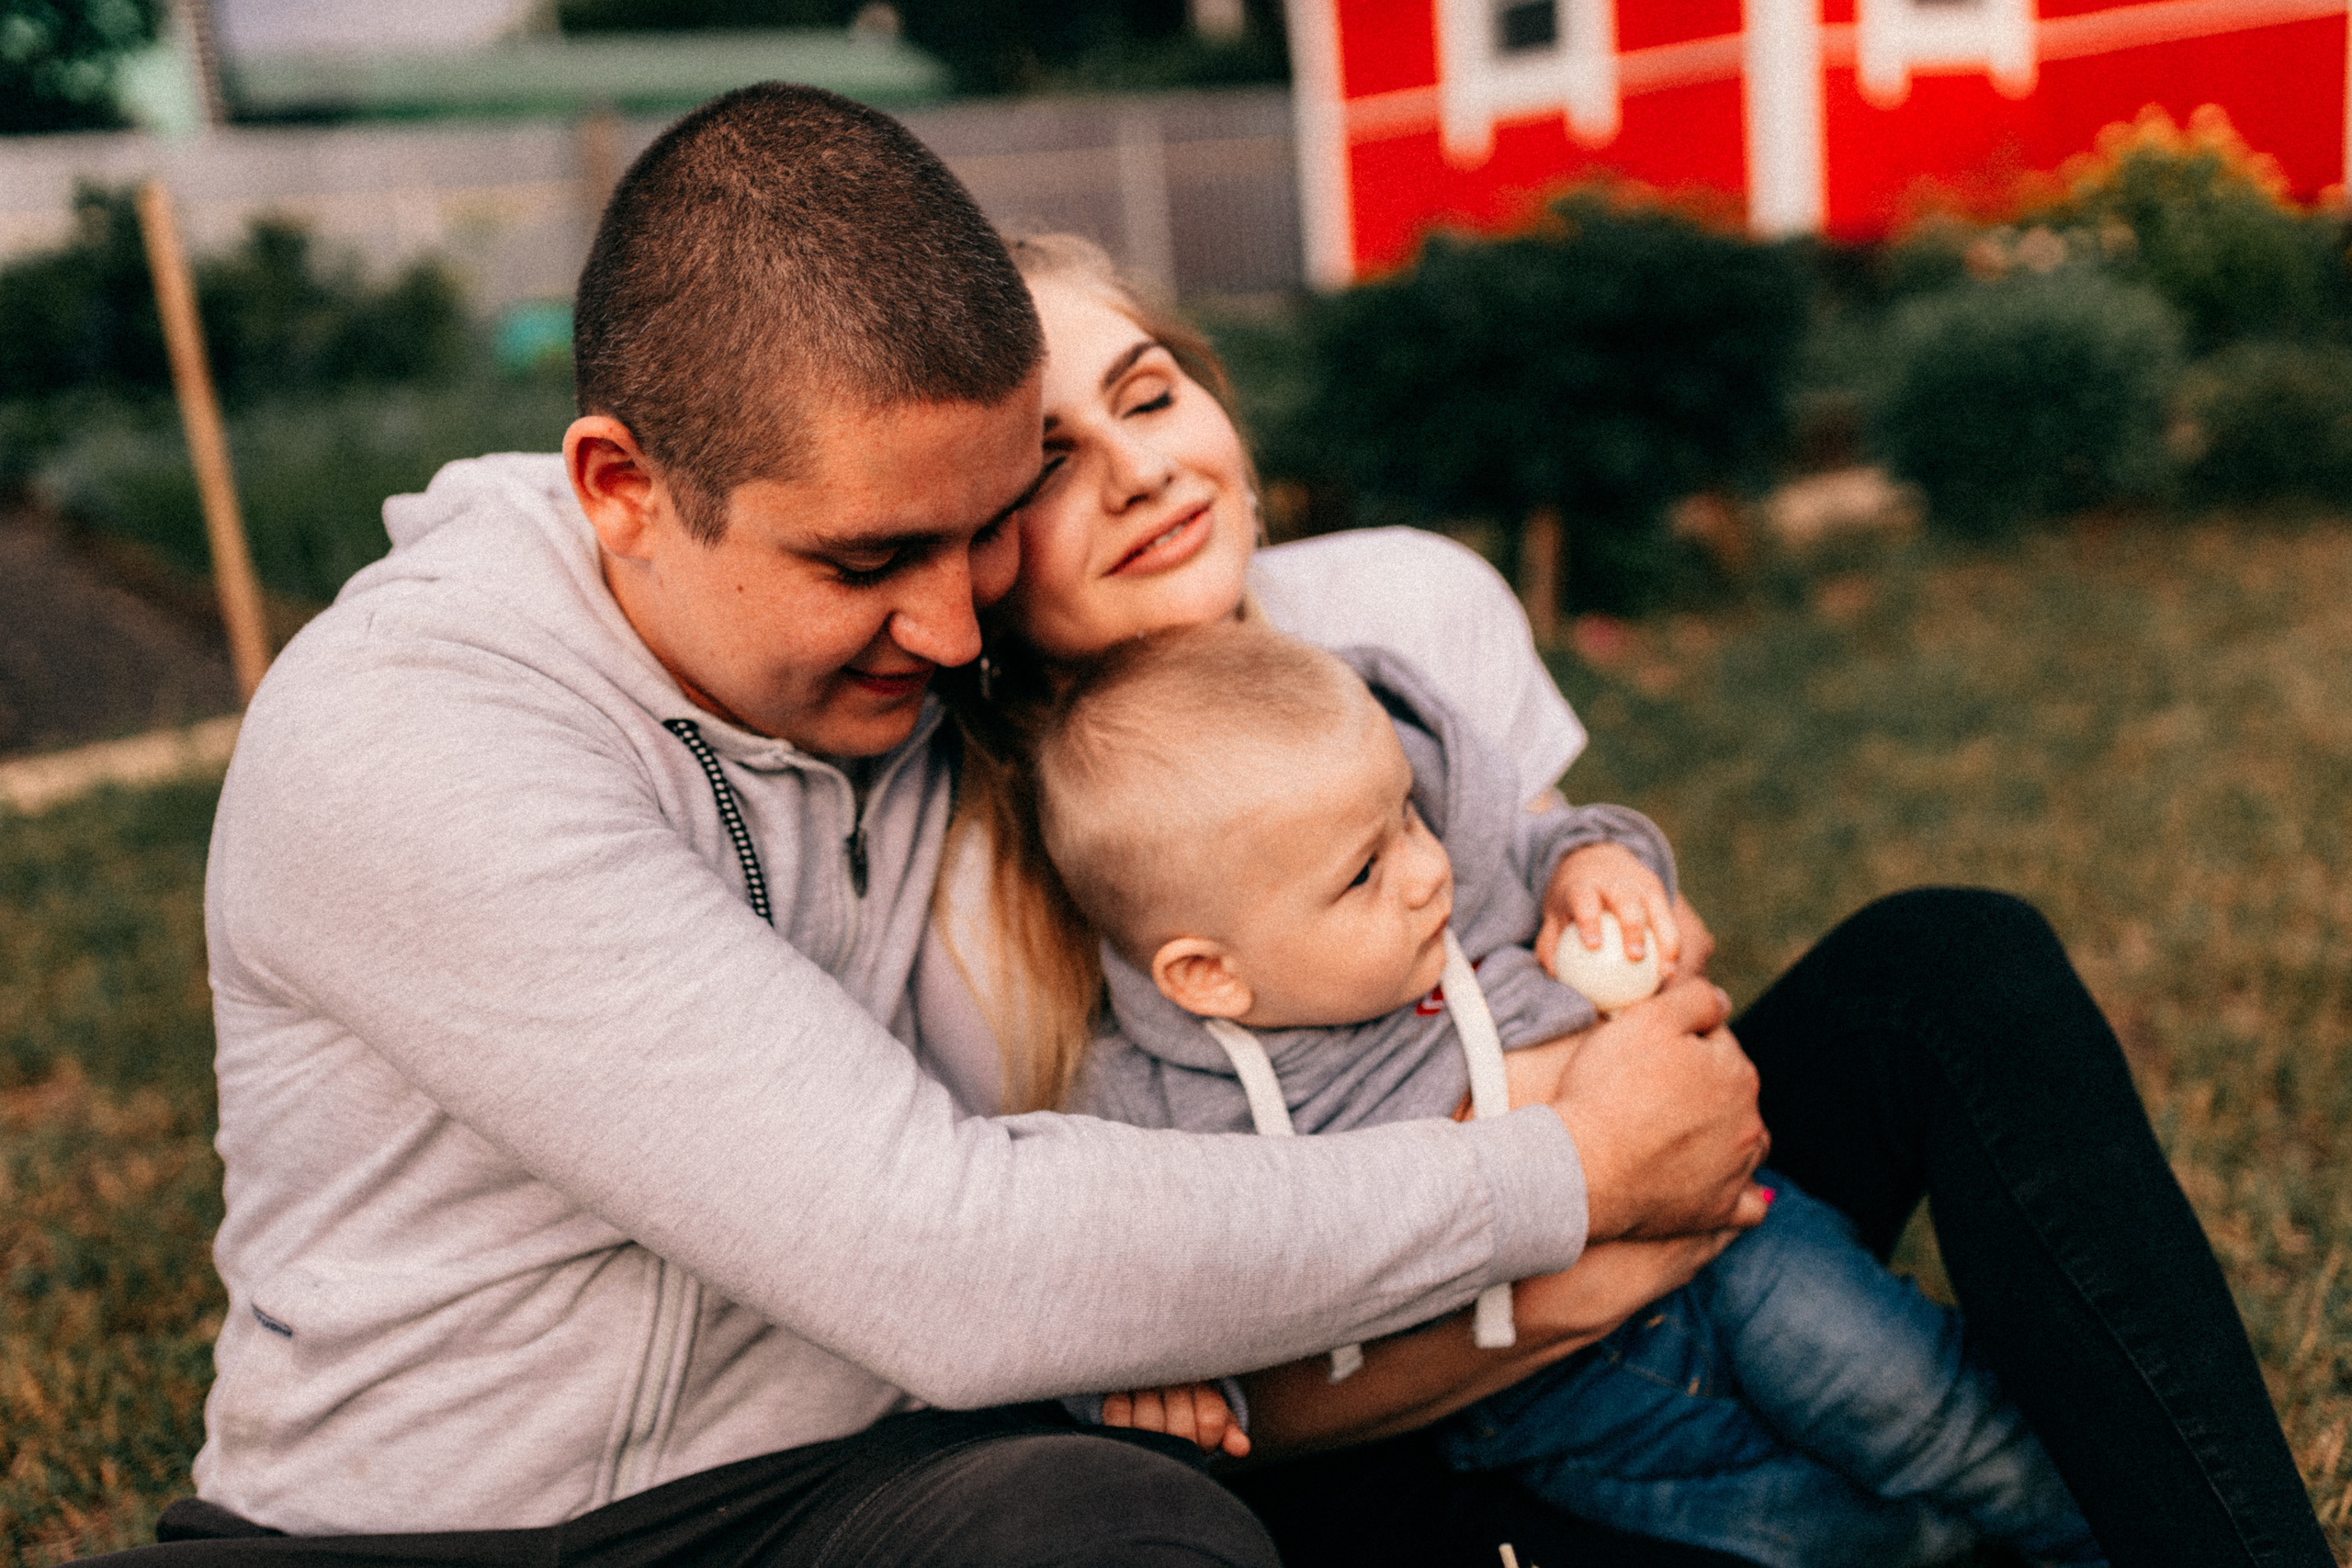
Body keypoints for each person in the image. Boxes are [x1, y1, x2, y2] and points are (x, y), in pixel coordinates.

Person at [89, 84, 1772, 1568]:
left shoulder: (918, 673)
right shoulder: (419, 736)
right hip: (417, 1534)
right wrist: (1569, 1173)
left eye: (980, 533)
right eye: (866, 561)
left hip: (824, 1494)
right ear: (621, 487)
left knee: (1124, 1523)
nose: (954, 631)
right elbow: (945, 1251)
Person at [914, 232, 2335, 1567]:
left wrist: (1627, 925)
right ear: (971, 540)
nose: (1141, 470)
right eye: (1049, 461)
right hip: (1421, 1426)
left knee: (1951, 961)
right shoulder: (978, 887)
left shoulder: (1402, 610)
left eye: (1150, 397)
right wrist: (1572, 1264)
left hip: (1701, 1215)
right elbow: (1196, 1400)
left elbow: (1617, 952)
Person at [1033, 619, 2102, 1568]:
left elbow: (1551, 839)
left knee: (1927, 1411)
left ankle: (2085, 1531)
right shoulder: (1161, 1106)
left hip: (1735, 1255)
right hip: (1549, 1412)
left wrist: (1594, 864)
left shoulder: (1447, 884)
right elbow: (1134, 1278)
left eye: (1408, 815)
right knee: (1820, 1536)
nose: (1424, 871)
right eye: (1364, 871)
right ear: (1209, 974)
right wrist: (1159, 1382)